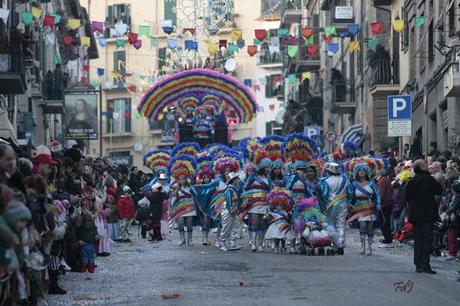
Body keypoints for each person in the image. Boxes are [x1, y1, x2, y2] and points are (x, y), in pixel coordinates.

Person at [405, 159, 442, 274]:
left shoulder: (412, 181)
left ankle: (418, 265)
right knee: (426, 239)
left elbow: (407, 197)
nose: (427, 166)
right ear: (421, 167)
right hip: (427, 214)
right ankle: (425, 264)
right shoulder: (429, 179)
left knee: (418, 240)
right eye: (425, 165)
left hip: (416, 214)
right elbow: (439, 190)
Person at [348, 163, 382, 256]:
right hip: (359, 208)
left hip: (370, 207)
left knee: (370, 228)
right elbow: (350, 195)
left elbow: (377, 194)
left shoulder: (371, 183)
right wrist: (349, 204)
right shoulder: (354, 184)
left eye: (363, 170)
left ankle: (370, 247)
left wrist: (378, 204)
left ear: (366, 172)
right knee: (362, 226)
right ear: (357, 173)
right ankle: (362, 245)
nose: (361, 172)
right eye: (360, 171)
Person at [318, 162, 350, 255]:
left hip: (330, 205)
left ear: (328, 171)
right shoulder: (345, 179)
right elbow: (350, 192)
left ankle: (331, 243)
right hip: (343, 204)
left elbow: (324, 194)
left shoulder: (326, 181)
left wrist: (323, 206)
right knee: (341, 224)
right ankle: (340, 245)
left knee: (330, 224)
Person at [241, 157, 272, 252]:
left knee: (262, 224)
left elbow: (270, 191)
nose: (269, 169)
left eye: (270, 167)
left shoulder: (268, 178)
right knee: (254, 222)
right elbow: (245, 187)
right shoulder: (253, 176)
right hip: (254, 204)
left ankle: (260, 244)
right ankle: (253, 243)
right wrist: (248, 198)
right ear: (263, 167)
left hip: (265, 204)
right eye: (268, 167)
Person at [264, 187, 295, 254]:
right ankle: (276, 247)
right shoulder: (273, 212)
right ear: (275, 206)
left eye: (280, 206)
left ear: (283, 206)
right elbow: (268, 219)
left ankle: (283, 247)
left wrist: (289, 215)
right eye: (278, 206)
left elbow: (287, 217)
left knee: (283, 238)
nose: (279, 207)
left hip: (284, 224)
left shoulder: (285, 212)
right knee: (277, 237)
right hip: (275, 226)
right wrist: (268, 216)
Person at [218, 172, 242, 252]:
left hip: (233, 211)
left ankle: (232, 243)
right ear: (233, 180)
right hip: (228, 211)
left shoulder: (233, 189)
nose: (237, 180)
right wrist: (231, 211)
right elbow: (229, 201)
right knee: (226, 227)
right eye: (236, 179)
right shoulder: (229, 190)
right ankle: (222, 243)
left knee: (234, 226)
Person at [440, 180, 460, 261]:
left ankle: (452, 253)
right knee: (451, 236)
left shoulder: (457, 199)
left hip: (456, 221)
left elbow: (453, 208)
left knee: (451, 236)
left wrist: (447, 214)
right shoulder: (454, 197)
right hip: (454, 220)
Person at [376, 168, 394, 247]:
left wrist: (378, 202)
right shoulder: (385, 179)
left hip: (384, 204)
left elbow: (381, 193)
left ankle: (388, 240)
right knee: (386, 222)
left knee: (384, 222)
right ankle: (387, 238)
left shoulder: (382, 181)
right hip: (388, 203)